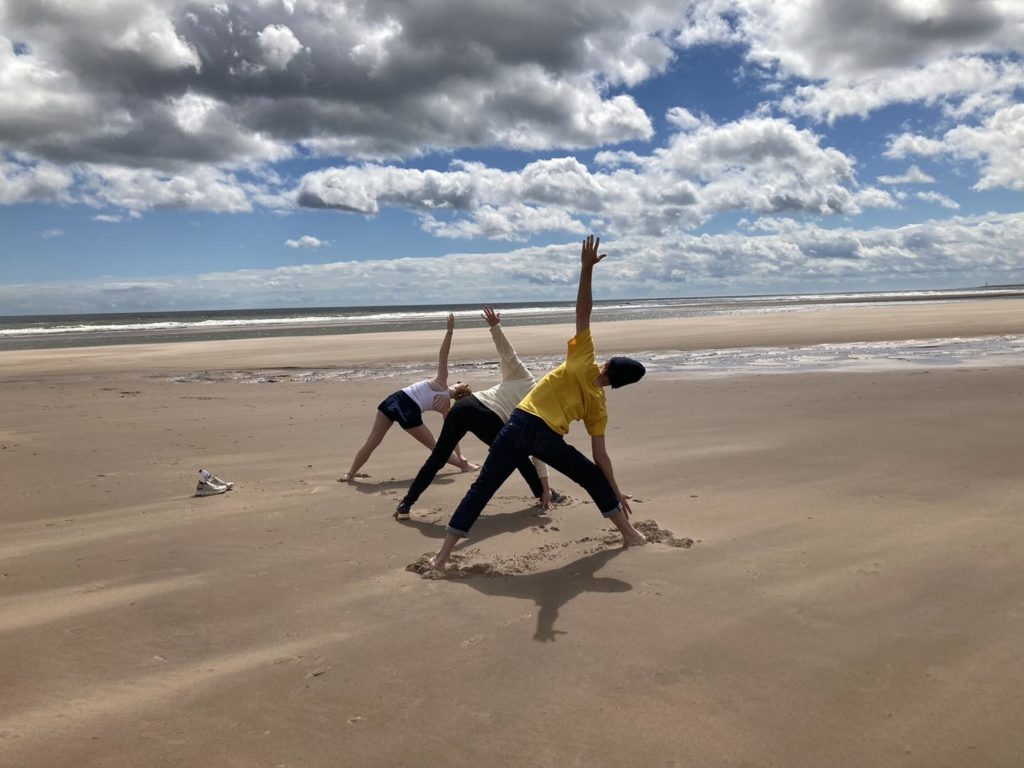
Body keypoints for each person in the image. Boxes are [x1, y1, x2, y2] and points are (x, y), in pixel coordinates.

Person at [431, 236, 647, 570]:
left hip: (516, 425)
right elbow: (600, 456)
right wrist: (615, 490)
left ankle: (442, 556)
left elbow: (582, 312)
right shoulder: (599, 406)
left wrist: (586, 269)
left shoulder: (584, 357)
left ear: (607, 366)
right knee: (591, 478)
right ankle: (629, 533)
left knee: (482, 489)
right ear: (619, 385)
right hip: (546, 439)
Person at [394, 306, 565, 520]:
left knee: (438, 458)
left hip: (466, 405)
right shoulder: (541, 408)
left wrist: (495, 326)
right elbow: (537, 454)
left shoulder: (525, 378)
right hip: (488, 416)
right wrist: (546, 486)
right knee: (519, 453)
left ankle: (405, 504)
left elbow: (508, 354)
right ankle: (543, 494)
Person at [339, 313, 475, 482]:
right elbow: (451, 436)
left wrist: (449, 332)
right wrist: (460, 455)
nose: (457, 382)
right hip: (409, 410)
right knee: (435, 446)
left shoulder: (441, 383)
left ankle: (350, 474)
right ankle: (464, 465)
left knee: (373, 440)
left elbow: (443, 355)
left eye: (459, 383)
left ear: (458, 388)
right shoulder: (446, 407)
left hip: (395, 399)